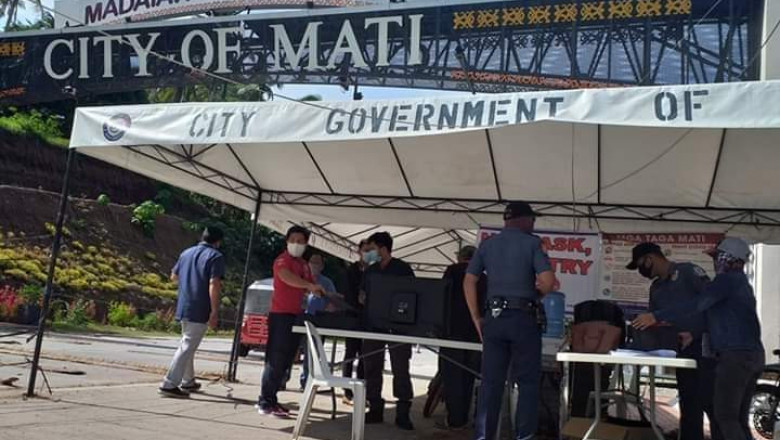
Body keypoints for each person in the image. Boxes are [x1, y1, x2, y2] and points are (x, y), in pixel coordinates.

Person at [633, 237, 765, 440]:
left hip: (731, 355)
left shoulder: (725, 281)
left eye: (718, 257)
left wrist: (657, 317)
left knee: (724, 416)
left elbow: (699, 304)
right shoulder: (738, 282)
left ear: (729, 258)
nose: (716, 262)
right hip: (743, 354)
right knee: (732, 418)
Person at [464, 201, 555, 440]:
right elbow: (547, 281)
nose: (534, 223)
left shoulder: (488, 245)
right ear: (525, 220)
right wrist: (535, 296)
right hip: (523, 319)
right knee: (527, 383)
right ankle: (524, 436)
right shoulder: (533, 243)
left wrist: (476, 317)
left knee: (491, 383)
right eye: (533, 219)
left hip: (493, 319)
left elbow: (469, 279)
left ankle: (483, 436)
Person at [625, 242, 716, 440]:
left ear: (650, 258)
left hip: (704, 346)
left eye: (640, 264)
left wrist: (695, 332)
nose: (641, 271)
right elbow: (655, 320)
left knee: (712, 403)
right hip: (679, 350)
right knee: (689, 404)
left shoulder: (687, 272)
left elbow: (713, 304)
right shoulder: (656, 288)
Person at [258, 226, 325, 418]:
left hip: (296, 315)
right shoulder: (282, 260)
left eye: (300, 241)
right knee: (276, 358)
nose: (296, 244)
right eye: (293, 240)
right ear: (287, 241)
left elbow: (310, 284)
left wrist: (321, 292)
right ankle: (265, 401)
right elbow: (287, 277)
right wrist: (309, 286)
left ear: (306, 244)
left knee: (287, 359)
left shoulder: (303, 264)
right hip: (280, 315)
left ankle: (272, 399)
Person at [159, 227, 225, 398]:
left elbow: (173, 276)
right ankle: (169, 383)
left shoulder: (186, 253)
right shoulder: (215, 256)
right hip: (200, 306)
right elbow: (214, 284)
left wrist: (190, 281)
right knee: (187, 346)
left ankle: (188, 380)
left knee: (188, 344)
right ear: (218, 242)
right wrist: (214, 311)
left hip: (184, 303)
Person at [360, 231, 416, 430]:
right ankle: (375, 407)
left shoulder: (402, 269)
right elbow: (362, 295)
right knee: (372, 366)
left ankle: (403, 412)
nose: (368, 252)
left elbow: (412, 296)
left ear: (383, 248)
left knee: (400, 368)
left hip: (398, 327)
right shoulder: (370, 270)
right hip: (373, 325)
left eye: (372, 248)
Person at [436, 245, 486, 431]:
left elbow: (441, 297)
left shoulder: (452, 271)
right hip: (475, 334)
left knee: (452, 378)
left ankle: (455, 420)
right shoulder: (484, 277)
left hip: (452, 331)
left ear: (460, 257)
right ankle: (465, 416)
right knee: (468, 378)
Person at [299, 252, 337, 389]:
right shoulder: (301, 279)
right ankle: (282, 380)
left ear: (322, 266)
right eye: (312, 262)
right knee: (292, 350)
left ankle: (307, 381)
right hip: (300, 319)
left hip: (318, 321)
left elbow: (334, 300)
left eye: (317, 263)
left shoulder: (327, 282)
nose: (314, 265)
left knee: (312, 352)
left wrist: (329, 303)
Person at [341, 239, 370, 406]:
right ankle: (346, 391)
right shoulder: (351, 270)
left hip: (368, 318)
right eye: (365, 250)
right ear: (359, 251)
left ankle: (361, 391)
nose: (368, 254)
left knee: (365, 356)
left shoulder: (374, 271)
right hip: (352, 317)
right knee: (350, 353)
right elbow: (348, 294)